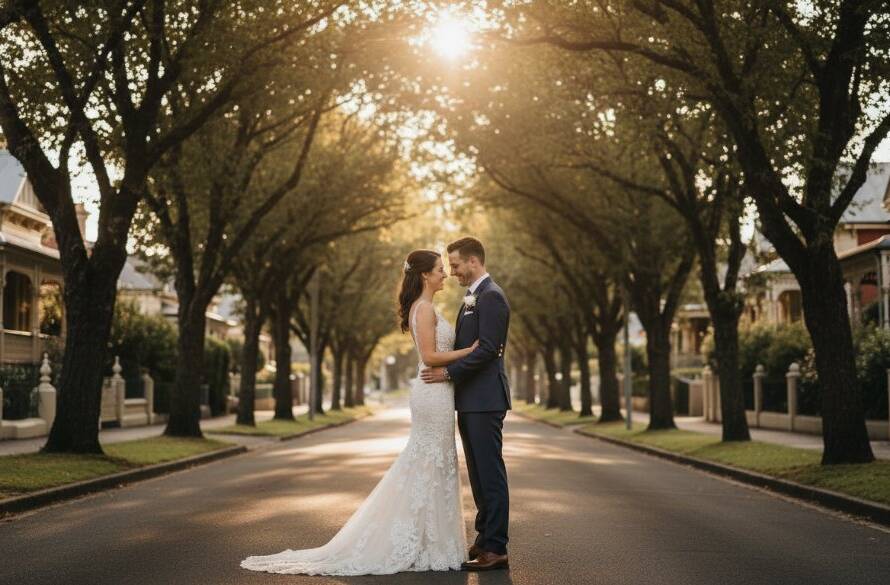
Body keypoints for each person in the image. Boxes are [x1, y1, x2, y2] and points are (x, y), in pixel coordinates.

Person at [241, 249, 474, 575]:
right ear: (424, 275)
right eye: (439, 269)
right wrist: (471, 350)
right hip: (431, 394)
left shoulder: (427, 308)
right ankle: (421, 543)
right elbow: (431, 357)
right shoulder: (422, 310)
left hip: (439, 392)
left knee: (436, 463)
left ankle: (431, 541)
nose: (444, 274)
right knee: (428, 462)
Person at [421, 236, 512, 571]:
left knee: (490, 474)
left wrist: (448, 373)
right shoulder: (474, 296)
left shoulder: (492, 297)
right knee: (477, 474)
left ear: (474, 261)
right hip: (471, 399)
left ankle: (497, 548)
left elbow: (487, 349)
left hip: (486, 399)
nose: (453, 271)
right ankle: (485, 537)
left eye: (456, 264)